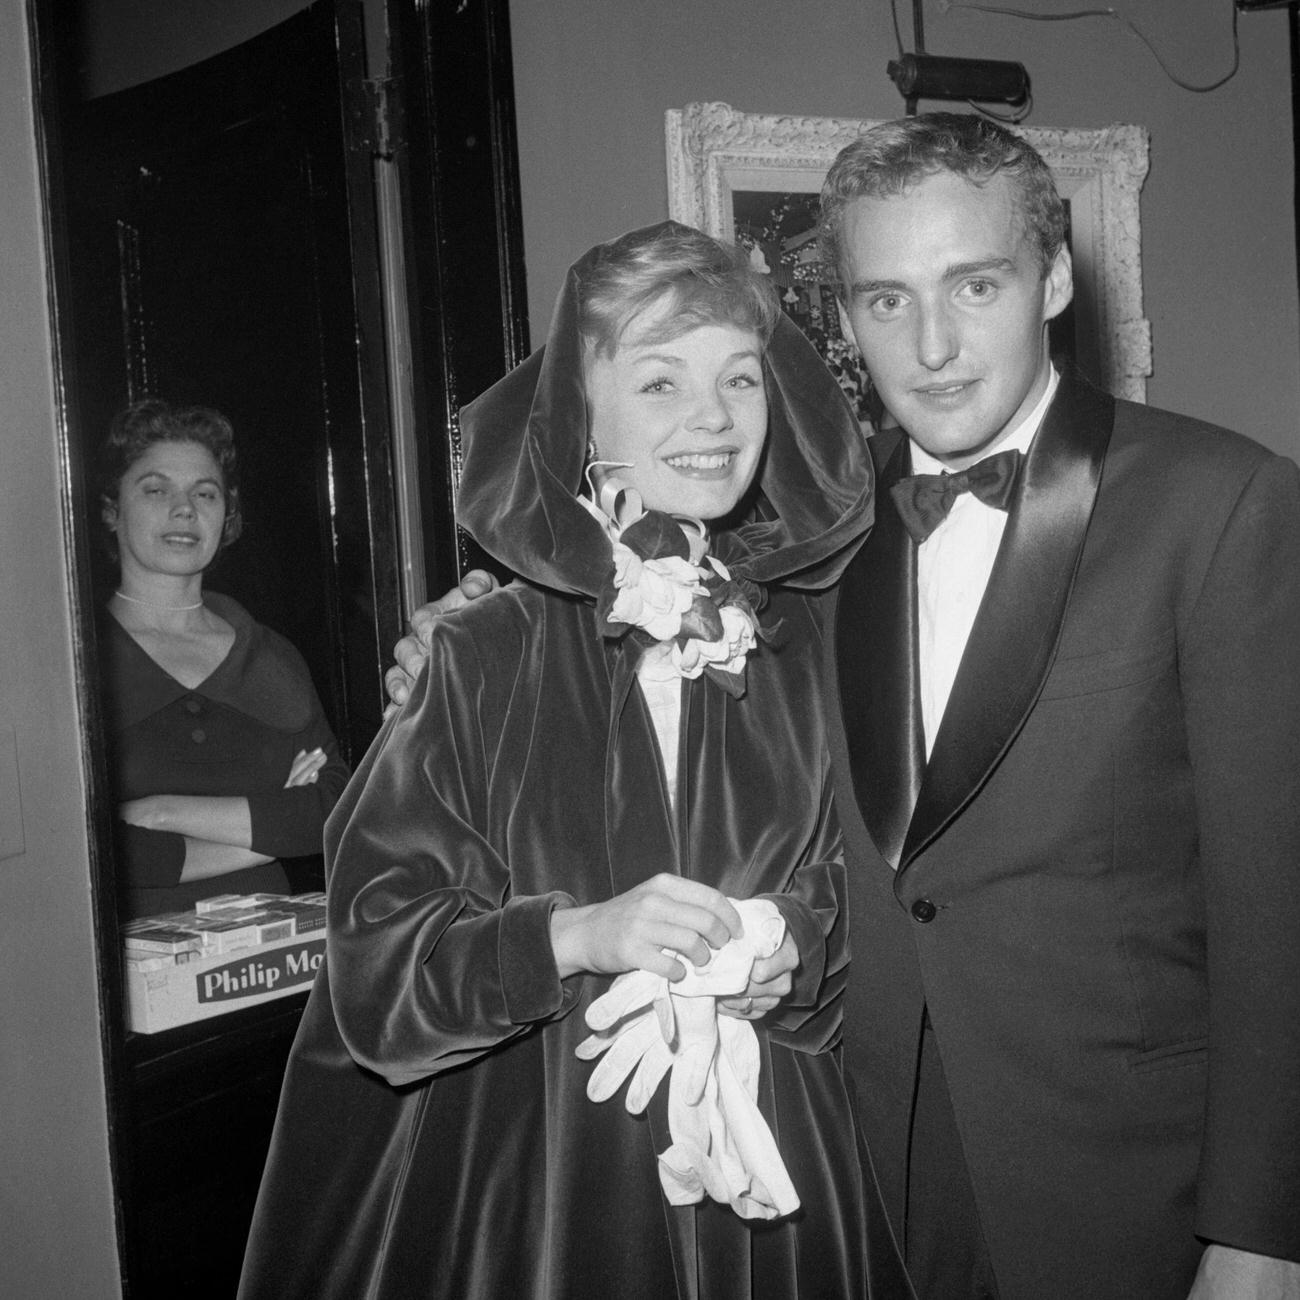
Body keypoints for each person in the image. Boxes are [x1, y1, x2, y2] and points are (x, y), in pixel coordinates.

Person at [391, 116, 1300, 1300]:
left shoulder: (1221, 502)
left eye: (974, 284)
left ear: (1057, 277)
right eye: (884, 300)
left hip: (1130, 1182)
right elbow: (644, 650)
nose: (931, 344)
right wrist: (456, 643)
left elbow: (1279, 901)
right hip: (853, 1170)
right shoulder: (810, 542)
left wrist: (1264, 1230)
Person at [239, 222, 911, 1299]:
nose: (712, 416)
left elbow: (882, 884)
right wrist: (574, 934)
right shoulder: (478, 652)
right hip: (545, 1180)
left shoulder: (813, 643)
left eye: (739, 377)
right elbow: (376, 966)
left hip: (781, 1176)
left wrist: (799, 942)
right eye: (659, 382)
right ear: (579, 420)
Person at [99, 399, 348, 919]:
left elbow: (336, 810)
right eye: (156, 489)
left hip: (273, 962)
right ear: (112, 510)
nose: (184, 508)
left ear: (226, 515)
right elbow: (95, 854)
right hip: (126, 970)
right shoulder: (77, 661)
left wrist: (158, 812)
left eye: (204, 493)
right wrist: (268, 830)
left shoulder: (269, 653)